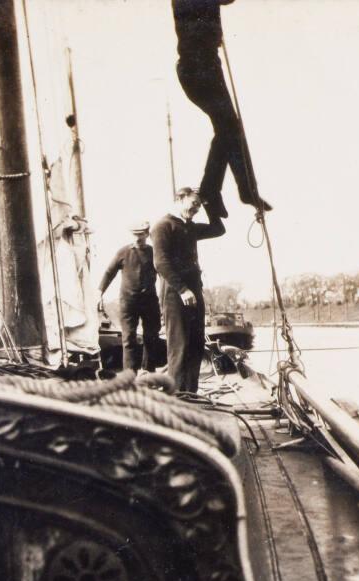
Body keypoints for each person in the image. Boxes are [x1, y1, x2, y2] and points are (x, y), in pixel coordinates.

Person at [172, 0, 272, 219]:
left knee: (228, 129)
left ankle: (223, 190)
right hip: (200, 67)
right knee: (230, 128)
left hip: (202, 67)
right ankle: (237, 190)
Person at [151, 187, 225, 393]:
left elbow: (218, 229)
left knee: (196, 344)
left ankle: (190, 393)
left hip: (194, 292)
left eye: (199, 205)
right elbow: (160, 263)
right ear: (180, 199)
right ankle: (176, 396)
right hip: (176, 294)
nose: (197, 208)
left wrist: (209, 203)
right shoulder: (163, 226)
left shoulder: (189, 227)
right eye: (194, 203)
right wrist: (183, 289)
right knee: (179, 345)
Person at [98, 222, 161, 372]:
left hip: (150, 301)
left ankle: (148, 372)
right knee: (128, 339)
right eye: (135, 234)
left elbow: (164, 272)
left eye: (141, 234)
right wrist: (100, 292)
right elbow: (109, 273)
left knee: (151, 336)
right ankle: (129, 375)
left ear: (147, 234)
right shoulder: (123, 252)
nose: (138, 237)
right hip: (128, 302)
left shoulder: (154, 252)